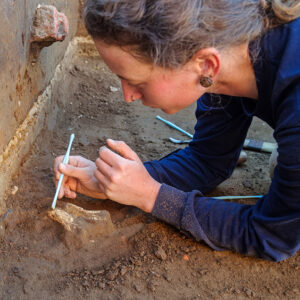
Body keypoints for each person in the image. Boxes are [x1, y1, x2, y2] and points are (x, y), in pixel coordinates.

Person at [54, 0, 300, 261]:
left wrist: (150, 195)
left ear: (206, 65)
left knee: (281, 167)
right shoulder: (223, 52)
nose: (127, 95)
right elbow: (208, 161)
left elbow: (272, 235)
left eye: (136, 81)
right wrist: (116, 183)